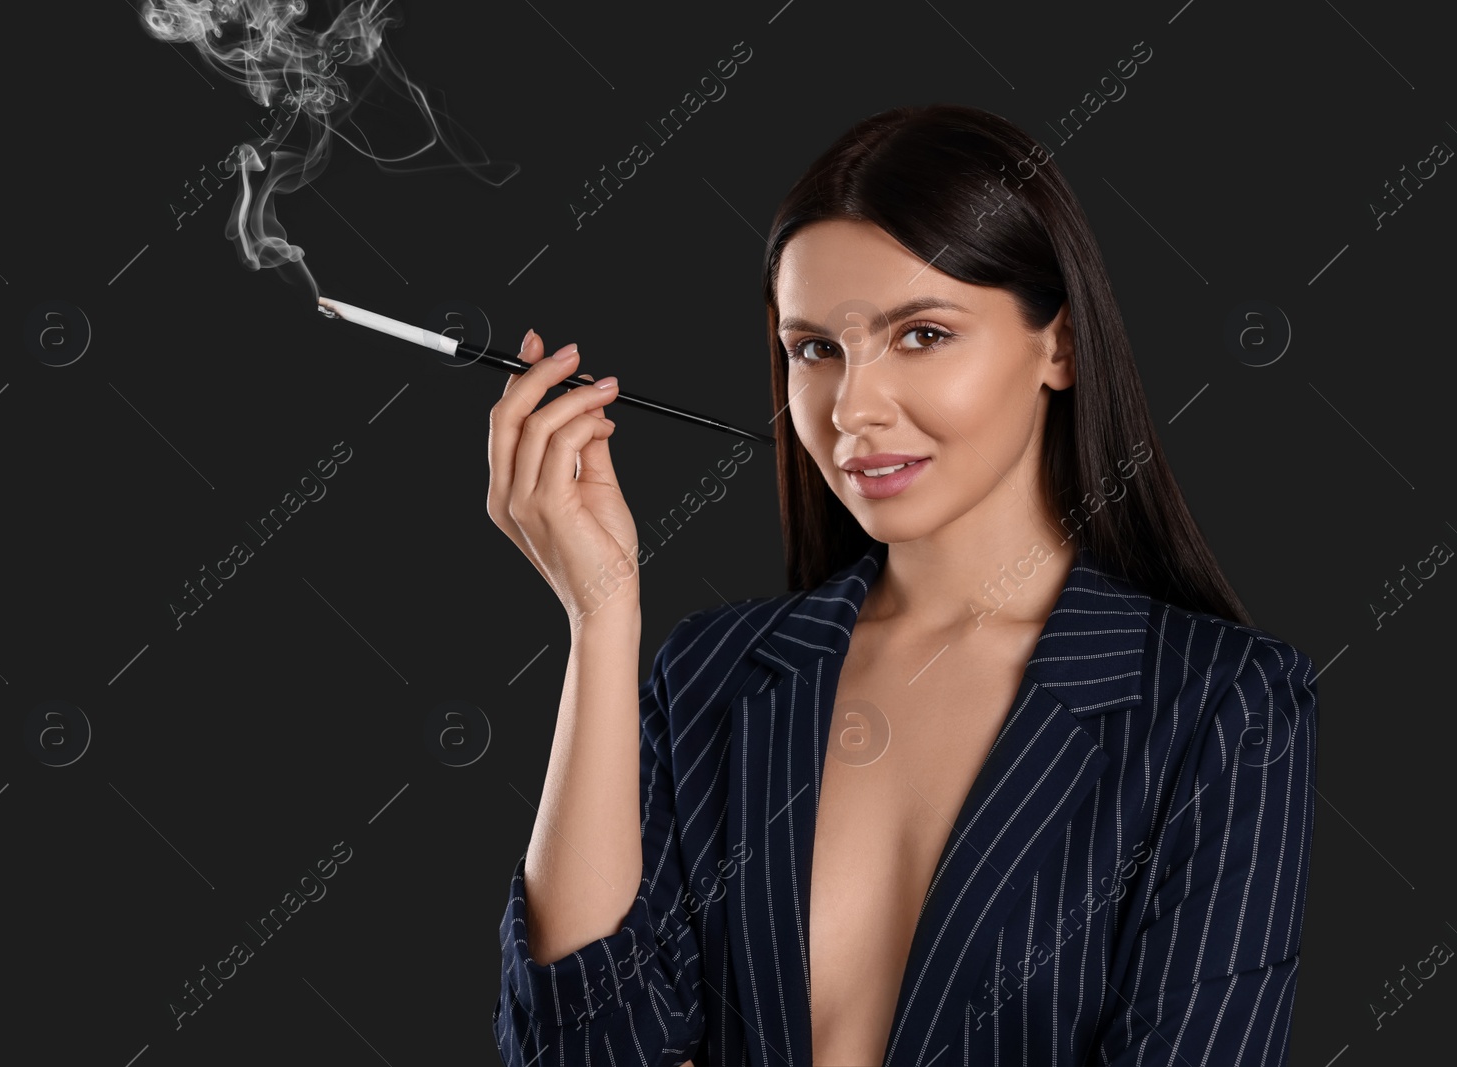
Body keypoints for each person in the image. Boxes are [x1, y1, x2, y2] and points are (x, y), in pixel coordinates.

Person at [487, 103, 1318, 1067]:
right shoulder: (715, 677)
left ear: (1060, 345)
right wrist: (601, 612)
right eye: (815, 349)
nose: (854, 407)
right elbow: (582, 1053)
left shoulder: (1221, 706)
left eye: (921, 334)